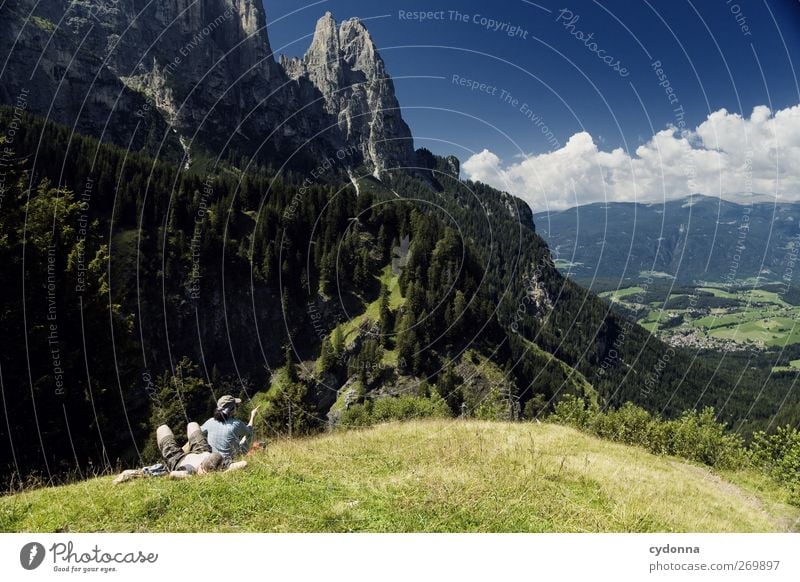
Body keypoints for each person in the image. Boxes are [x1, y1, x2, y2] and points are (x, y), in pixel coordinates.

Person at [113, 421, 247, 484]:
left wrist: (193, 477)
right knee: (193, 424)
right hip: (202, 451)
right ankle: (189, 441)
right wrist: (224, 472)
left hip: (177, 459)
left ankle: (129, 474)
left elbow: (172, 474)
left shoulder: (195, 469)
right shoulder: (218, 465)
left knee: (162, 428)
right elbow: (244, 463)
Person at [201, 395, 259, 462]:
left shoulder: (210, 421)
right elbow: (249, 431)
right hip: (229, 461)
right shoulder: (237, 423)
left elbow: (199, 432)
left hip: (212, 460)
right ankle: (241, 455)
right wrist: (252, 416)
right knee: (249, 434)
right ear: (231, 409)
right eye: (235, 406)